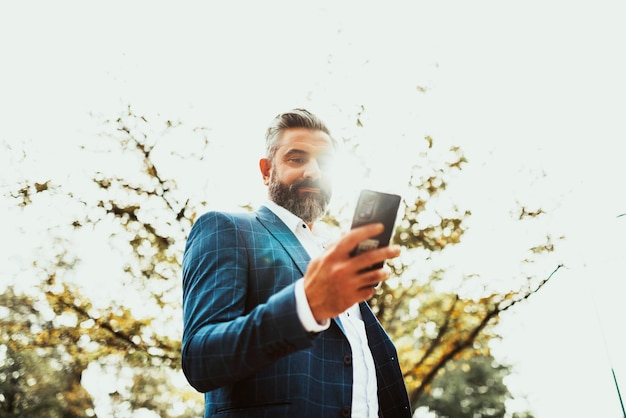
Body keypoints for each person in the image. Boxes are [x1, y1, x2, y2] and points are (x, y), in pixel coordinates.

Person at [181, 108, 412, 418]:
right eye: (296, 159)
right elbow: (201, 359)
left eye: (324, 163)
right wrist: (306, 305)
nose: (313, 171)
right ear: (266, 171)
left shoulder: (336, 253)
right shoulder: (227, 229)